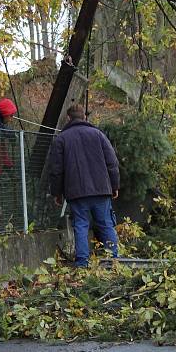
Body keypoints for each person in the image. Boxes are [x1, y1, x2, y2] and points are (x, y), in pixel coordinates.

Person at [48, 103, 120, 268]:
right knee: (106, 224)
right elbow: (112, 162)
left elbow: (56, 170)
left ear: (68, 118)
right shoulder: (98, 135)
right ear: (84, 117)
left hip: (76, 192)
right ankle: (114, 260)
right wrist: (114, 185)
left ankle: (82, 263)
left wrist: (56, 193)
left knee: (80, 225)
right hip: (101, 189)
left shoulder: (61, 139)